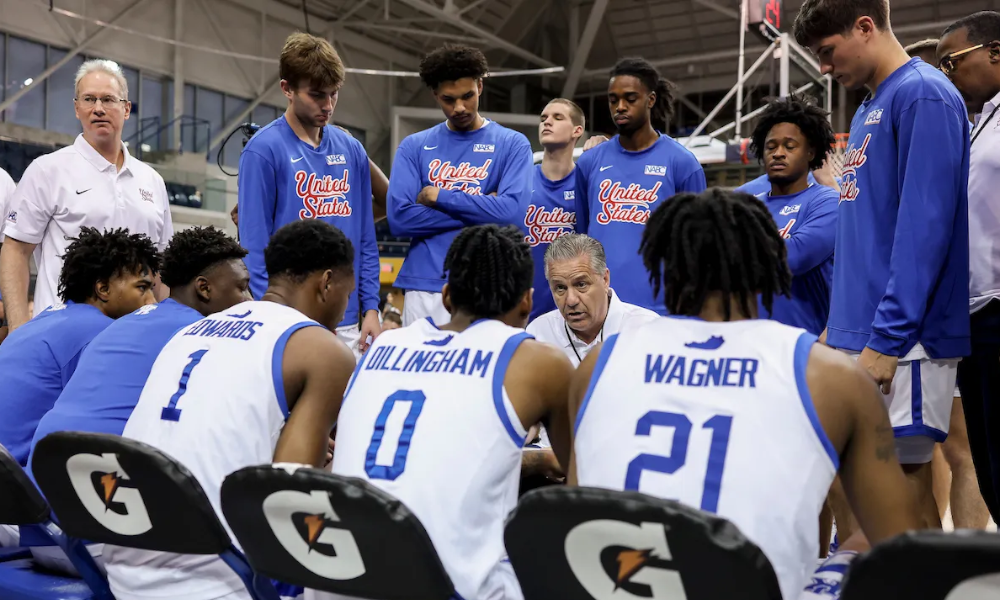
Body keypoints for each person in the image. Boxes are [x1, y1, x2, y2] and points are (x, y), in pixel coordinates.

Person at [569, 189, 921, 600]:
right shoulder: (828, 374)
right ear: (767, 263)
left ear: (664, 264)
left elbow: (577, 517)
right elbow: (901, 547)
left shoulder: (597, 366)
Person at [104, 219, 357, 600]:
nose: (345, 308)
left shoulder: (189, 330)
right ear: (326, 283)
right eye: (347, 293)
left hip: (121, 565)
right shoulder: (325, 350)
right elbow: (290, 494)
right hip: (212, 580)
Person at [794, 0, 971, 536]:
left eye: (827, 52)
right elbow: (867, 231)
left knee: (906, 498)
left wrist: (888, 339)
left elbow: (925, 231)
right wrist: (839, 324)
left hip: (902, 340)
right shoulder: (873, 104)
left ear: (865, 27)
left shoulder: (922, 94)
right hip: (859, 330)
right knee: (865, 494)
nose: (823, 68)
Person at [330, 224, 574, 600]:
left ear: (446, 297)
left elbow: (422, 451)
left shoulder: (381, 347)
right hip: (439, 587)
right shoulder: (538, 361)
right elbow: (581, 477)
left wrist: (532, 462)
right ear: (527, 302)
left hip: (335, 575)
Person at [28, 227, 250, 457]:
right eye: (243, 288)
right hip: (98, 462)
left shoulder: (121, 322)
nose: (249, 300)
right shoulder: (202, 332)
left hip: (43, 454)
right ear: (204, 288)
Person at [0, 59, 173, 330]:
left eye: (108, 99)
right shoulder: (48, 170)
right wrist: (19, 329)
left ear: (126, 109)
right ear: (77, 107)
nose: (98, 109)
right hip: (62, 334)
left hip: (134, 335)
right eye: (89, 99)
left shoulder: (152, 181)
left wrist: (164, 328)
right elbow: (15, 250)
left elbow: (161, 268)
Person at [238, 32, 380, 356]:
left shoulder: (352, 151)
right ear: (287, 88)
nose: (328, 106)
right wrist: (271, 316)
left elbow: (365, 238)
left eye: (334, 94)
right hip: (287, 320)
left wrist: (372, 307)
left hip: (346, 321)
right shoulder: (263, 151)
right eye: (317, 95)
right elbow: (254, 247)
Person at [387, 44, 533, 327]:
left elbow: (512, 215)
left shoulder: (512, 144)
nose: (459, 108)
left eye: (467, 96)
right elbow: (400, 219)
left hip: (490, 283)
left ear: (480, 85)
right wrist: (484, 207)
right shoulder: (414, 146)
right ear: (435, 95)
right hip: (425, 282)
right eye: (448, 99)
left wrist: (439, 196)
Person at [0, 227, 159, 466]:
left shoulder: (48, 317)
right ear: (103, 289)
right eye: (142, 288)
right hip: (17, 481)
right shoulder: (103, 331)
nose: (152, 301)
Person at [573, 57, 706, 315]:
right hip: (601, 309)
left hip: (662, 309)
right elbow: (583, 234)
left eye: (630, 99)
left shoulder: (682, 163)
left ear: (651, 100)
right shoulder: (589, 163)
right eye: (613, 100)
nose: (620, 107)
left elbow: (698, 246)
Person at [937, 11, 1000, 526]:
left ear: (995, 52)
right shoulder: (981, 123)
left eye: (952, 62)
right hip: (975, 320)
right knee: (988, 465)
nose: (948, 75)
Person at [737, 95, 838, 336]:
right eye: (771, 147)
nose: (778, 153)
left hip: (805, 347)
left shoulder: (827, 202)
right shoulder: (746, 205)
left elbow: (794, 257)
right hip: (749, 344)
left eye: (789, 146)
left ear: (811, 152)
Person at [527, 233, 657, 367]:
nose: (571, 301)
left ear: (605, 280)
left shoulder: (647, 330)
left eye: (581, 284)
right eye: (560, 288)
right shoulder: (538, 333)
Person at [521, 99, 585, 322]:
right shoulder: (518, 180)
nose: (547, 122)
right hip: (522, 308)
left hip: (571, 311)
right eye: (543, 118)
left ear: (578, 130)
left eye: (557, 118)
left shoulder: (586, 184)